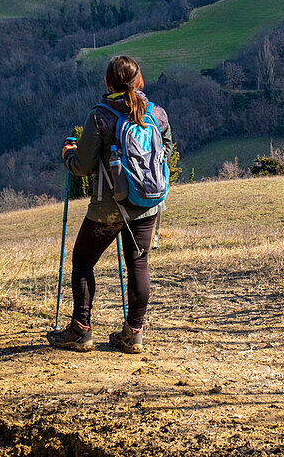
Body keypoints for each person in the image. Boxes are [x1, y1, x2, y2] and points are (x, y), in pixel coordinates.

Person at [48, 55, 172, 354]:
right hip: (147, 203)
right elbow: (165, 150)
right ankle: (134, 334)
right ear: (139, 81)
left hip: (109, 207)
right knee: (138, 264)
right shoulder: (157, 113)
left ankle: (81, 330)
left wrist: (67, 154)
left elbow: (83, 165)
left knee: (83, 262)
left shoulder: (100, 116)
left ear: (107, 82)